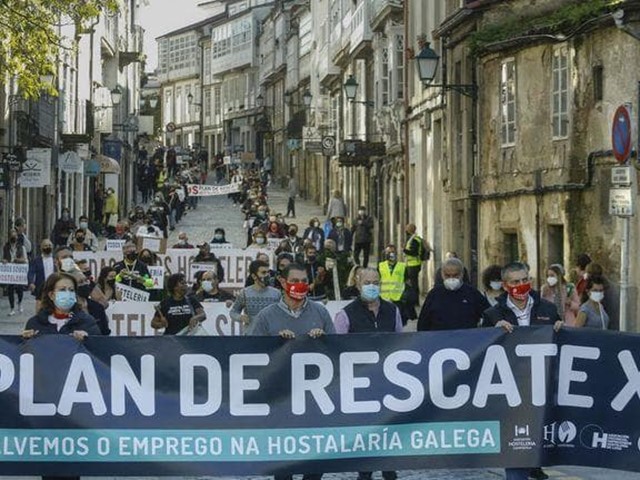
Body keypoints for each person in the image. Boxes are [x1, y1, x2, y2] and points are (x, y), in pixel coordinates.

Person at [482, 262, 563, 480]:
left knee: (539, 450)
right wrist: (492, 332)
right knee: (516, 454)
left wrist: (561, 330)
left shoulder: (548, 309)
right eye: (516, 281)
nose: (522, 285)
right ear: (506, 286)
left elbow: (561, 344)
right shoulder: (492, 314)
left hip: (541, 391)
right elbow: (478, 351)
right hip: (511, 394)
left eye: (525, 279)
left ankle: (535, 468)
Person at [251, 263, 335, 338]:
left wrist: (324, 339)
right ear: (283, 282)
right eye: (295, 281)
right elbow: (255, 350)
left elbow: (334, 345)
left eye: (304, 281)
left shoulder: (320, 312)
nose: (300, 285)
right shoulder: (266, 316)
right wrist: (276, 342)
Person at [22, 272, 100, 341]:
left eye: (71, 290)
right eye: (62, 290)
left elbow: (99, 349)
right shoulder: (35, 323)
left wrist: (88, 339)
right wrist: (25, 339)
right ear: (51, 295)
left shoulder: (86, 321)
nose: (68, 293)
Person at [417, 257, 490, 331]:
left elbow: (489, 314)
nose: (451, 278)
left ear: (462, 274)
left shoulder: (472, 293)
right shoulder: (434, 294)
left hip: (466, 339)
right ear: (442, 274)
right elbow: (423, 323)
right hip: (439, 339)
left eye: (455, 275)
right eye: (447, 275)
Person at [230, 260, 281, 333]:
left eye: (268, 272)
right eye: (263, 272)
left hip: (271, 336)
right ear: (254, 276)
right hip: (251, 336)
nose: (267, 275)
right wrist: (240, 317)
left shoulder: (276, 294)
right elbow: (233, 311)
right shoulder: (245, 293)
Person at [378, 245, 408, 324]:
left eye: (392, 252)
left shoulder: (402, 266)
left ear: (396, 254)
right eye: (388, 252)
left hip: (398, 298)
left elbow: (407, 281)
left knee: (399, 322)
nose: (390, 254)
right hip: (384, 298)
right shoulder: (380, 266)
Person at [3, 228, 28, 315]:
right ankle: (12, 308)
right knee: (10, 289)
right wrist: (4, 261)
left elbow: (25, 260)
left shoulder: (21, 247)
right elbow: (3, 258)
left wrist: (17, 260)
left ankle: (20, 303)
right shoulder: (6, 247)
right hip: (10, 272)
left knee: (20, 289)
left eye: (15, 235)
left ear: (17, 237)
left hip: (18, 272)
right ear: (9, 237)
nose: (13, 237)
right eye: (11, 235)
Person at [28, 239, 55, 309]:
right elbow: (31, 271)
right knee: (40, 305)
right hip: (41, 286)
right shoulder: (36, 260)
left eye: (49, 245)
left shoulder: (56, 259)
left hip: (54, 285)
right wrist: (31, 282)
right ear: (41, 248)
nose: (48, 247)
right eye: (45, 245)